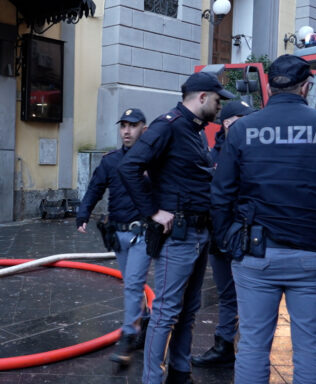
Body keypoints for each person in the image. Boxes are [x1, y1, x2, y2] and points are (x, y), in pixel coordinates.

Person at [211, 54, 316, 384]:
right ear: (306, 86)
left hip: (255, 253)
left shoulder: (244, 129)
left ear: (269, 84)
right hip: (313, 251)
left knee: (252, 346)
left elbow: (221, 193)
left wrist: (228, 239)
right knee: (311, 351)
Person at [118, 72, 233, 384]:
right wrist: (153, 212)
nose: (220, 105)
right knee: (166, 312)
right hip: (179, 237)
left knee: (189, 309)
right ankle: (153, 378)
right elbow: (128, 167)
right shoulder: (167, 125)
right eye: (218, 99)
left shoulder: (195, 131)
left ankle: (180, 372)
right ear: (202, 97)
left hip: (199, 233)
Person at [76, 108, 150, 367]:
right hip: (118, 234)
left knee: (132, 284)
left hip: (142, 233)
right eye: (123, 126)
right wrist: (82, 214)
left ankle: (129, 335)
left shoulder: (154, 160)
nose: (126, 131)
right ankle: (145, 316)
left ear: (144, 128)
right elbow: (95, 188)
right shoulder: (110, 161)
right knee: (132, 283)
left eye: (133, 125)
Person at [192, 99, 256, 369]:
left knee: (253, 295)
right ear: (226, 124)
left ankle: (252, 351)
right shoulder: (211, 153)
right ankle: (224, 345)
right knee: (227, 293)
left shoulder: (257, 150)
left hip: (248, 235)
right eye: (239, 121)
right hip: (219, 236)